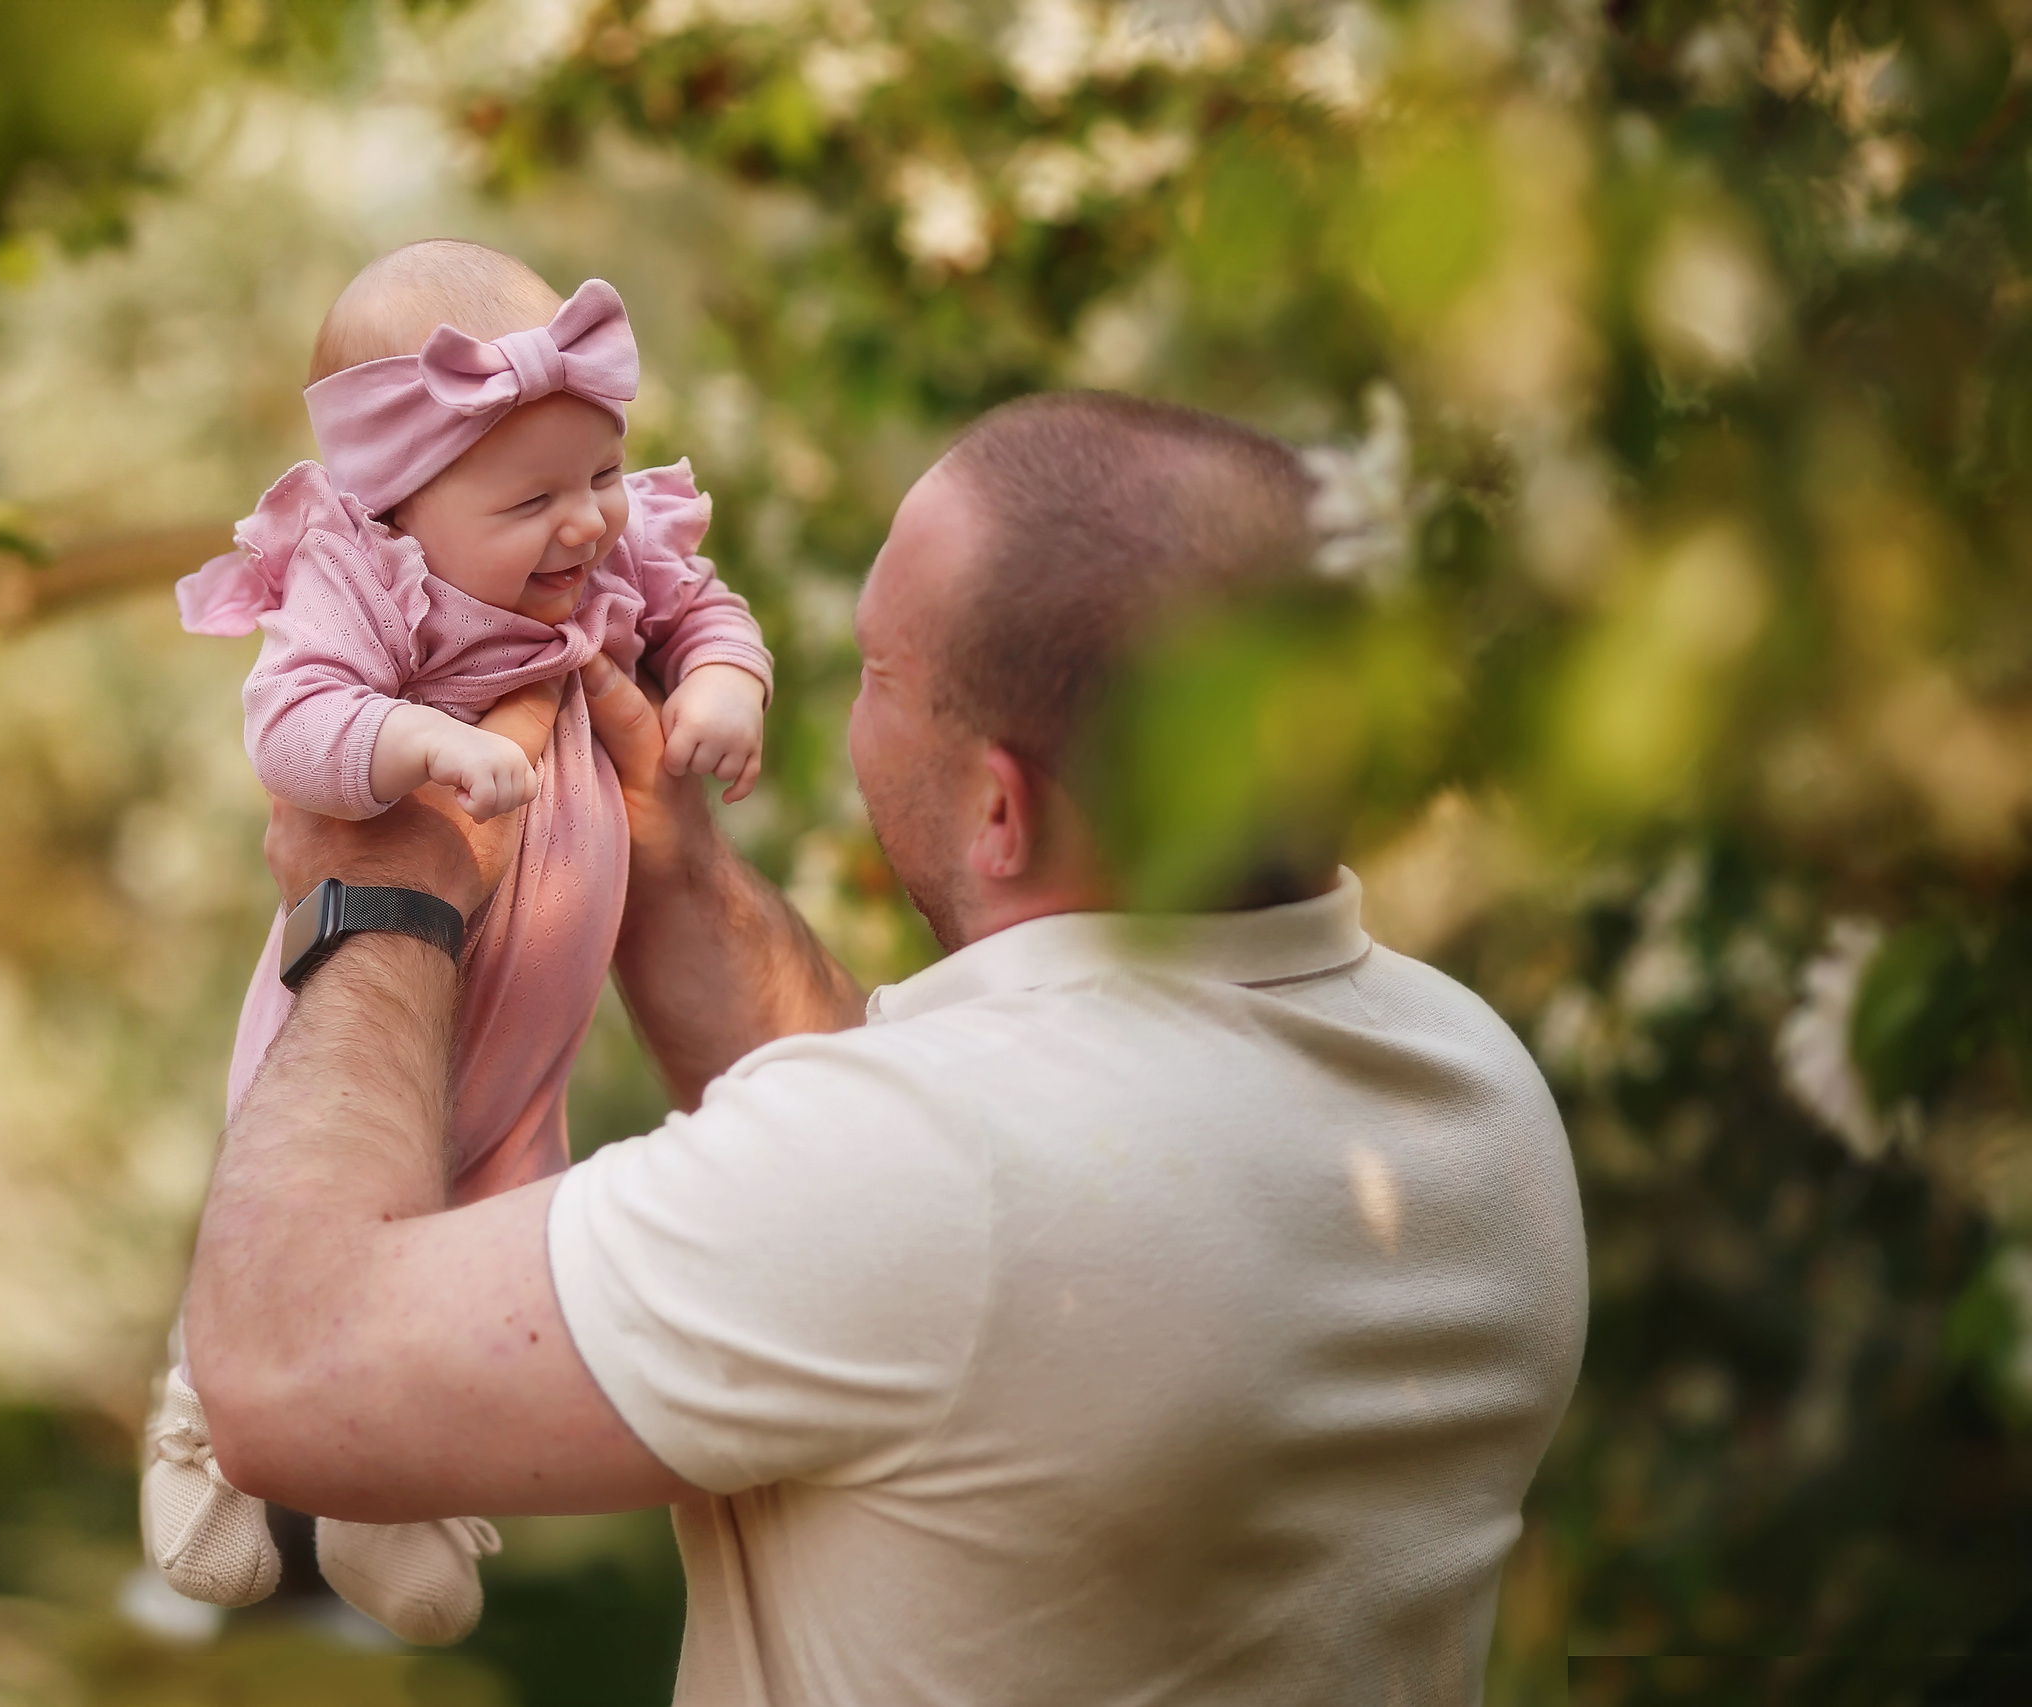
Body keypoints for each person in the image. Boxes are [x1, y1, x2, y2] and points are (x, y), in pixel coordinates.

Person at [186, 390, 1590, 1703]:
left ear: (999, 811)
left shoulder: (943, 1181)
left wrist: (386, 897)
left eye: (876, 671)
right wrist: (666, 865)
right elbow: (908, 1148)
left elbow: (286, 1371)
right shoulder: (1470, 1088)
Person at [142, 241, 771, 1640]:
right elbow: (288, 721)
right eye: (532, 499)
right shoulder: (369, 590)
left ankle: (394, 1479)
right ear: (399, 509)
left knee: (484, 1231)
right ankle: (200, 1407)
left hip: (538, 1013)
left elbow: (707, 606)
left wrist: (724, 682)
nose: (589, 528)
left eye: (601, 477)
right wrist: (409, 737)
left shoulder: (611, 562)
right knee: (295, 1186)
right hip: (379, 986)